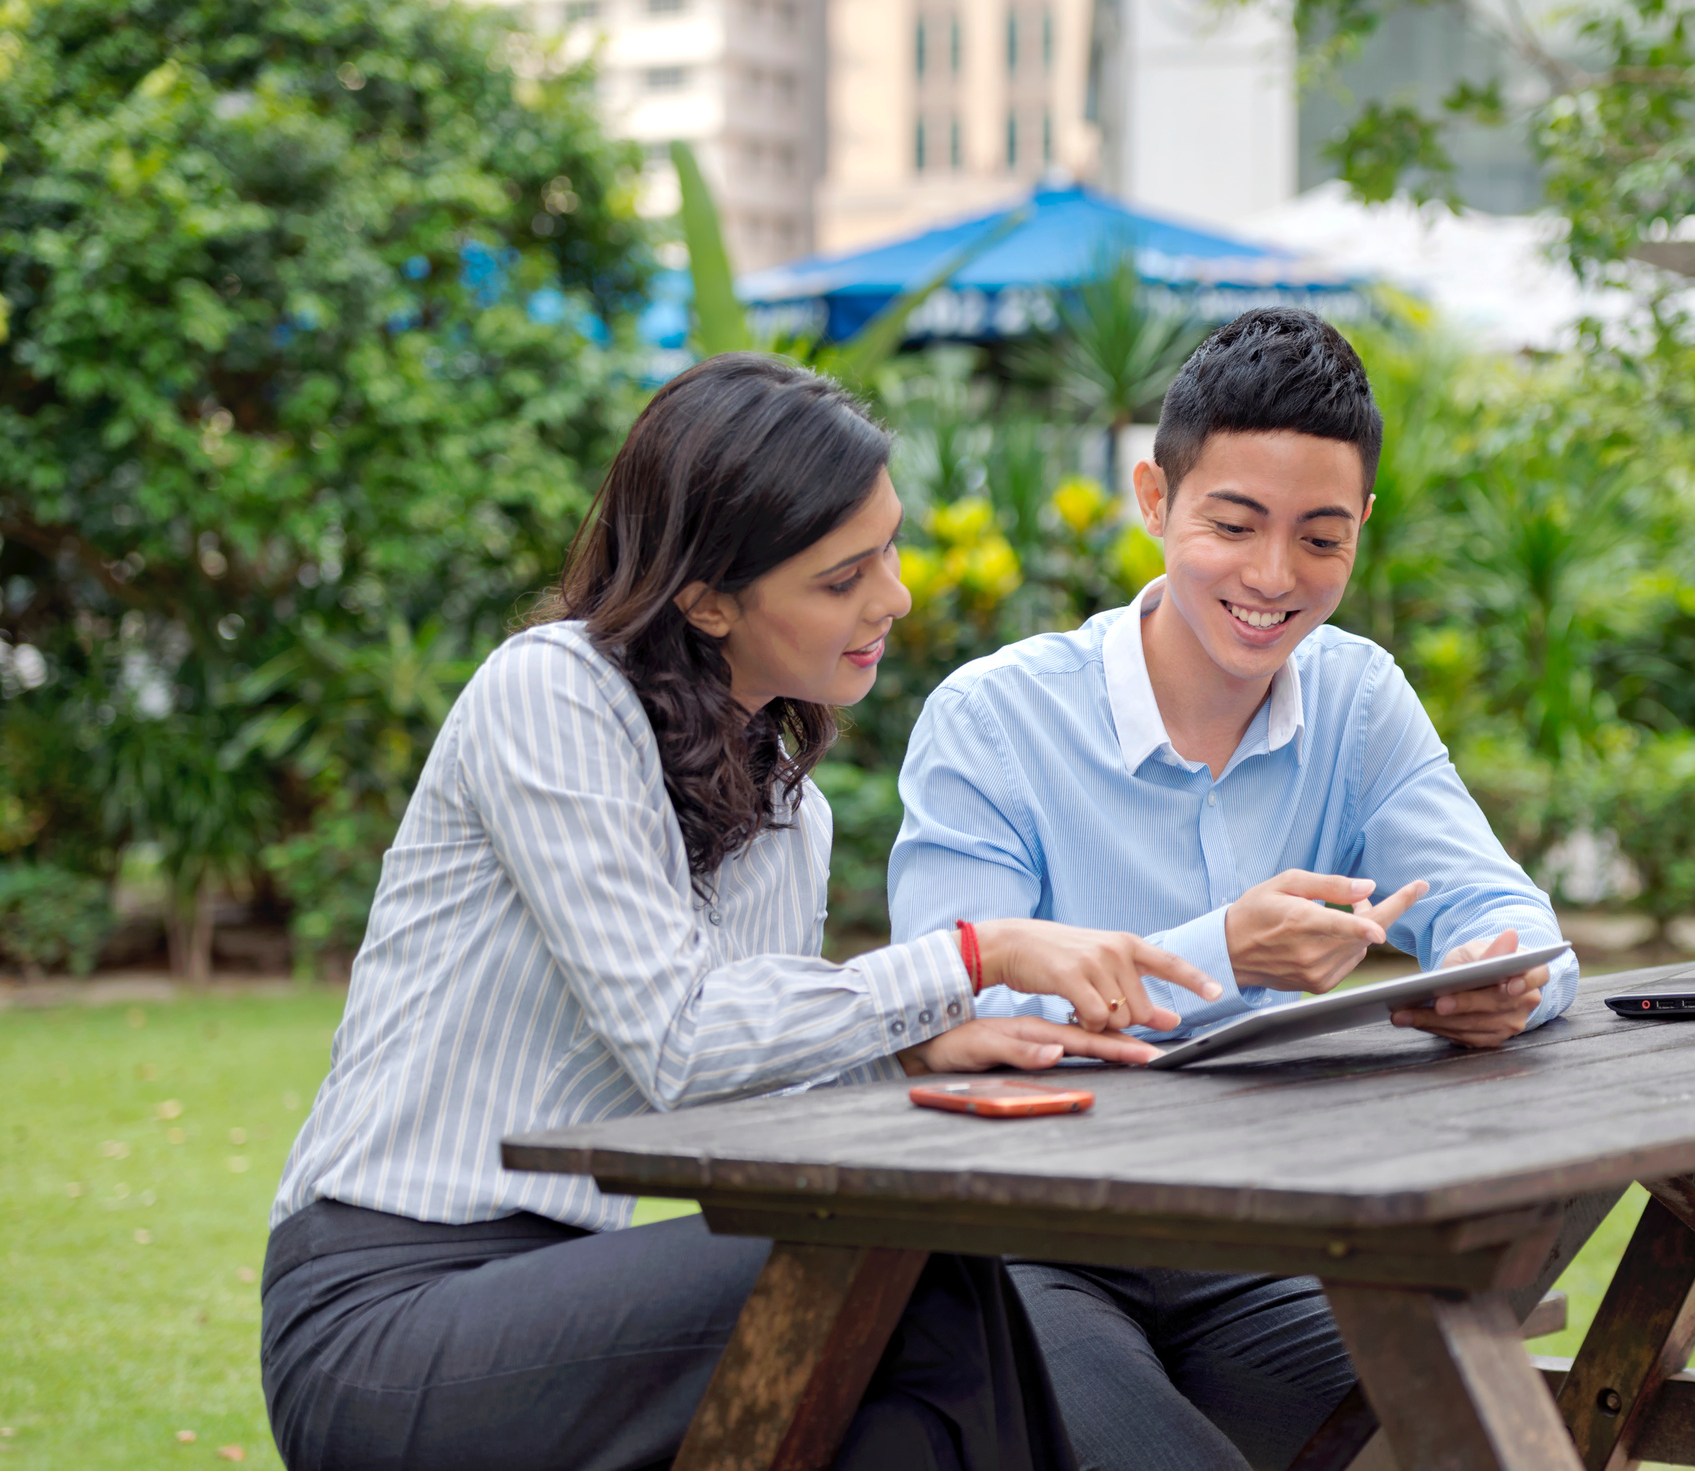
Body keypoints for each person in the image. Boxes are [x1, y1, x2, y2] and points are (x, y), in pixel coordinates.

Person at [262, 354, 1225, 1471]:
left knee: (895, 1424)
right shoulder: (553, 692)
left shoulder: (785, 808)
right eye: (841, 576)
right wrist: (974, 953)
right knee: (910, 1269)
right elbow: (679, 1042)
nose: (894, 598)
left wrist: (917, 1057)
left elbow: (751, 1117)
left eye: (890, 549)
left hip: (575, 1308)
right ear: (707, 596)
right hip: (387, 1322)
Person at [888, 308, 1578, 1470]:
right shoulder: (995, 718)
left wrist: (1495, 979)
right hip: (1021, 1240)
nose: (1272, 578)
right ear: (1154, 500)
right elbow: (946, 1020)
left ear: (1362, 526)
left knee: (1487, 1437)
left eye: (1320, 538)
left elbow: (1512, 921)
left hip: (1263, 1234)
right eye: (1234, 523)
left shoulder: (1357, 699)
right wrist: (1226, 950)